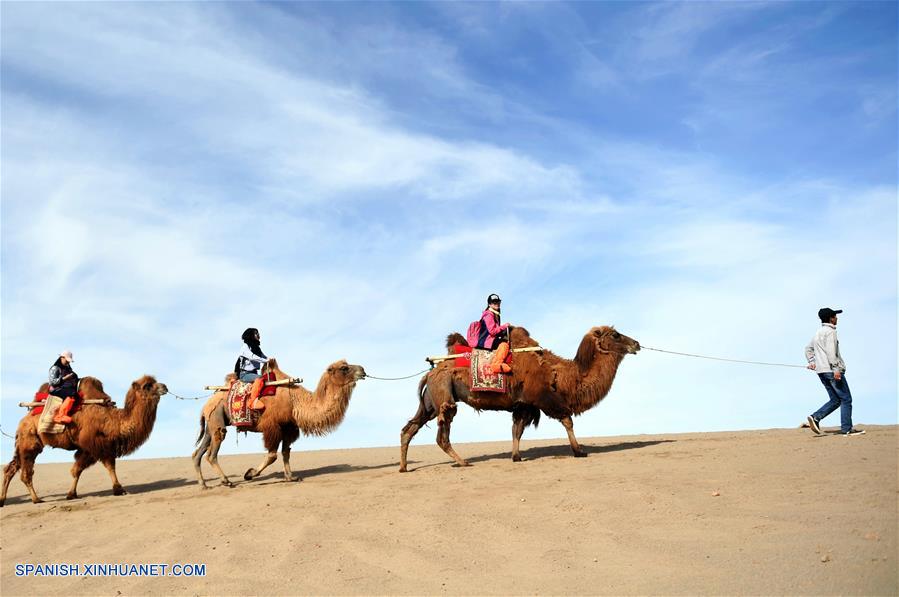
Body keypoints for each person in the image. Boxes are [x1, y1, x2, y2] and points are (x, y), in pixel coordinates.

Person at [804, 308, 864, 436]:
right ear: (831, 318)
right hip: (831, 371)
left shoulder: (818, 333)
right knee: (846, 399)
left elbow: (808, 349)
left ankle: (815, 417)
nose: (837, 318)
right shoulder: (830, 332)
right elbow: (831, 352)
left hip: (821, 372)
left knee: (836, 400)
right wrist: (836, 369)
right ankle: (847, 429)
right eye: (835, 316)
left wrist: (812, 362)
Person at [471, 293, 512, 374]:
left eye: (498, 302)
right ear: (489, 304)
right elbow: (492, 331)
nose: (497, 304)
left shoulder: (495, 314)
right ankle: (496, 364)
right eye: (494, 302)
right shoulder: (488, 315)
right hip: (486, 341)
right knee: (504, 344)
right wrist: (504, 326)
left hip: (490, 339)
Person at [235, 328, 269, 410]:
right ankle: (252, 402)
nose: (258, 335)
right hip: (245, 374)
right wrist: (266, 360)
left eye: (258, 333)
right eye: (256, 333)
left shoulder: (256, 348)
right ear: (251, 335)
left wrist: (270, 360)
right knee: (260, 378)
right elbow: (253, 357)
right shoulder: (245, 347)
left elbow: (264, 356)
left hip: (253, 373)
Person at [49, 350, 79, 424]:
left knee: (75, 394)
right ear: (62, 358)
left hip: (67, 388)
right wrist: (65, 378)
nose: (68, 362)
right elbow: (52, 382)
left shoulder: (68, 368)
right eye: (67, 360)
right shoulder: (55, 368)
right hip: (56, 389)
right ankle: (60, 416)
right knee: (71, 393)